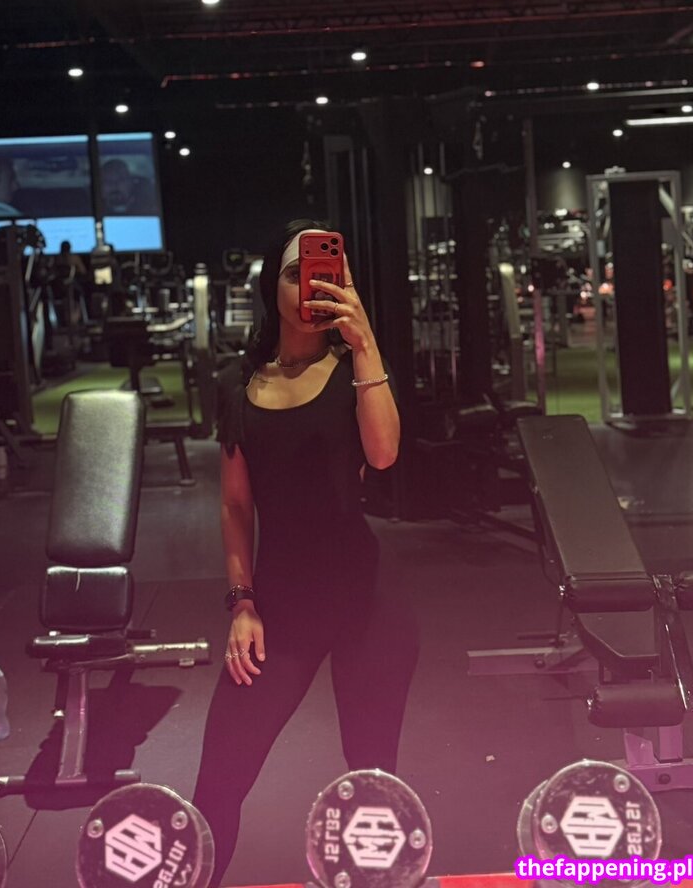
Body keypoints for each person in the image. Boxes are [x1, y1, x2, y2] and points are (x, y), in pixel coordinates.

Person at [191, 219, 420, 885]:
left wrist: (364, 340)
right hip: (280, 607)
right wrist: (242, 603)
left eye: (328, 275)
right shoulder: (237, 383)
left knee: (372, 789)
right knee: (216, 785)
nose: (312, 286)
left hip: (368, 601)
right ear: (274, 284)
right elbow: (236, 507)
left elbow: (384, 454)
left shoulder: (354, 372)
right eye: (298, 273)